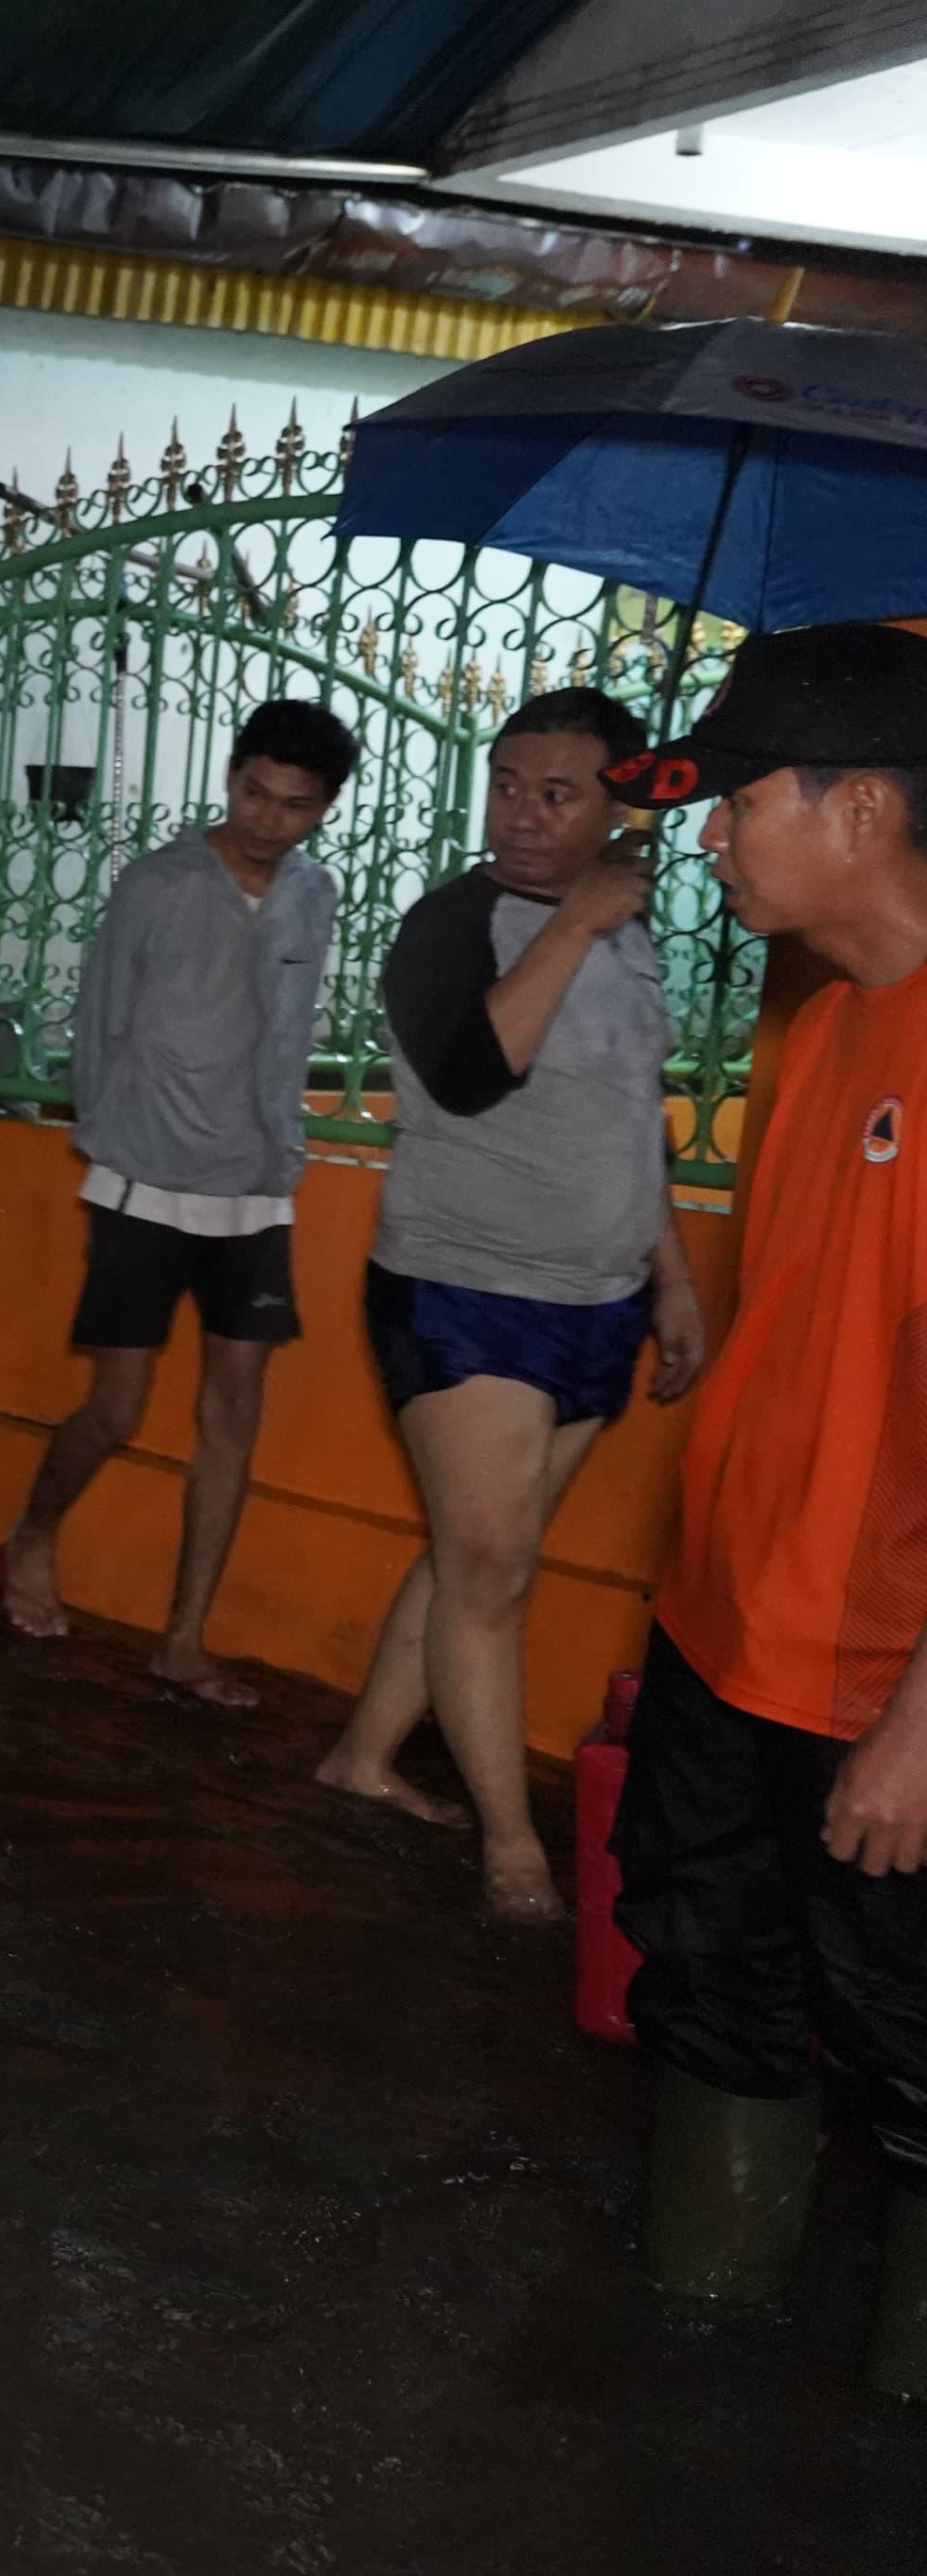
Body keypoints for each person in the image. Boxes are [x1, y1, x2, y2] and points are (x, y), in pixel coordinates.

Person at [592, 625, 927, 2394]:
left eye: (739, 801)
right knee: (704, 1972)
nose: (710, 836)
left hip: (880, 1680)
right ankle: (697, 2342)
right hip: (727, 1628)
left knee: (910, 2038)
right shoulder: (818, 1024)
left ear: (863, 805)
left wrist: (919, 1727)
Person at [314, 691, 708, 1914]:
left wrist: (673, 1276)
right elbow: (475, 1074)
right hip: (464, 1288)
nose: (525, 815)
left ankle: (361, 1759)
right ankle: (514, 1847)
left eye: (559, 793)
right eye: (508, 785)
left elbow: (630, 1112)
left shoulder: (632, 931)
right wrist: (574, 923)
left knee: (478, 1554)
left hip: (598, 1296)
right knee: (493, 1568)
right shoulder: (452, 923)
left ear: (615, 802)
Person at [0, 698, 360, 1705]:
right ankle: (28, 1535)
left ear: (321, 810)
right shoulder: (155, 882)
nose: (263, 818)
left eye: (291, 805)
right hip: (141, 1180)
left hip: (254, 1191)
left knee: (232, 1412)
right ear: (231, 775)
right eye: (251, 791)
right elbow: (98, 1021)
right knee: (113, 1406)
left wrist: (278, 1153)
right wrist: (115, 1154)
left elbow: (285, 1037)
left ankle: (183, 1640)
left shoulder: (312, 894)